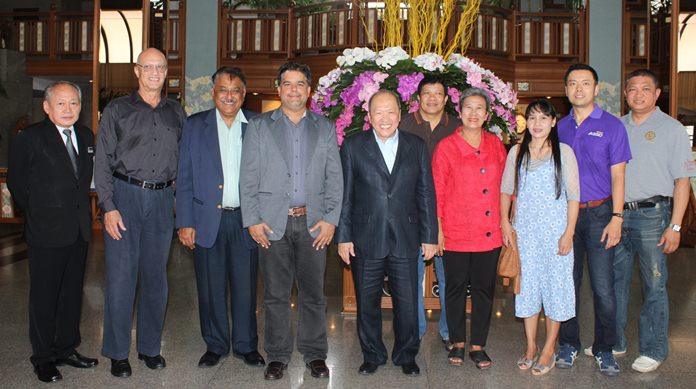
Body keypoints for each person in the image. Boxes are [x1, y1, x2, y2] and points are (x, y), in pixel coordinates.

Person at [240, 62, 343, 380]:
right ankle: (278, 355)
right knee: (275, 294)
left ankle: (315, 354)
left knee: (313, 294)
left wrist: (330, 219)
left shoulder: (324, 127)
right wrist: (253, 219)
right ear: (278, 87)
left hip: (313, 224)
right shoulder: (259, 126)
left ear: (309, 90)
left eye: (300, 83)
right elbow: (248, 175)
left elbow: (334, 177)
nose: (294, 89)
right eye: (287, 83)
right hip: (271, 224)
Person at [95, 48, 187, 378]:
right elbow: (102, 162)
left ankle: (149, 348)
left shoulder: (176, 112)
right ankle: (118, 352)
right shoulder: (117, 109)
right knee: (121, 278)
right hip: (124, 197)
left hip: (162, 200)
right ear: (136, 71)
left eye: (159, 67)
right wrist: (108, 206)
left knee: (156, 279)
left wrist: (182, 203)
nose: (153, 72)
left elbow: (184, 163)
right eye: (147, 66)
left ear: (166, 72)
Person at [336, 90, 439, 376]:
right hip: (365, 236)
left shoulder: (416, 146)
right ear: (368, 116)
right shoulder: (354, 145)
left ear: (400, 113)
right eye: (378, 112)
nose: (385, 118)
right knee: (366, 302)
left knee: (407, 302)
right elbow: (346, 195)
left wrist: (429, 236)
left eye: (390, 112)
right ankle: (372, 354)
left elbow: (425, 193)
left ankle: (407, 354)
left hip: (406, 236)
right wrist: (343, 236)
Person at [7, 81, 98, 383]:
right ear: (46, 107)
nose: (68, 109)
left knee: (72, 295)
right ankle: (43, 357)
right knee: (44, 298)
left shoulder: (85, 136)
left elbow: (82, 182)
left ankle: (66, 349)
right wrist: (38, 214)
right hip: (45, 233)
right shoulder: (30, 138)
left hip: (78, 232)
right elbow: (17, 184)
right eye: (61, 103)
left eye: (73, 103)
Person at [176, 67, 265, 368]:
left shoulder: (257, 124)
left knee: (245, 286)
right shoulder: (194, 125)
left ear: (243, 94)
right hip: (205, 220)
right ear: (213, 93)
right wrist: (185, 221)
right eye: (223, 89)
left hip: (245, 220)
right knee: (210, 287)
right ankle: (215, 345)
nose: (229, 95)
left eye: (235, 90)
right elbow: (184, 176)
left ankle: (246, 345)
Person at [614, 69, 696, 373]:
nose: (638, 94)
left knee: (655, 284)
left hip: (653, 215)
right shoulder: (617, 126)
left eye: (645, 89)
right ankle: (615, 341)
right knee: (615, 283)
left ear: (657, 94)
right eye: (632, 89)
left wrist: (675, 226)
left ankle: (653, 348)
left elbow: (683, 182)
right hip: (618, 215)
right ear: (625, 94)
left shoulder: (671, 128)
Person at [555, 63, 631, 376]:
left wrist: (617, 216)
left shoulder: (613, 126)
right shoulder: (558, 127)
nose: (579, 89)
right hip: (566, 216)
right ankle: (568, 344)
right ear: (566, 90)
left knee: (603, 289)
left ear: (596, 89)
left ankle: (604, 349)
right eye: (573, 83)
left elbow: (619, 176)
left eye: (585, 83)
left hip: (601, 214)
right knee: (567, 284)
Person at [500, 99, 580, 376]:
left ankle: (549, 349)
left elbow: (574, 196)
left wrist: (569, 232)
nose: (537, 124)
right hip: (526, 233)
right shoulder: (517, 152)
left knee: (557, 288)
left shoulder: (564, 152)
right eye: (532, 118)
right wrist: (506, 223)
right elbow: (506, 189)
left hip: (556, 232)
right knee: (528, 289)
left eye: (543, 118)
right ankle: (531, 346)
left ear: (553, 122)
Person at [431, 87, 507, 369]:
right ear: (459, 112)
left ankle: (478, 344)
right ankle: (457, 341)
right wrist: (437, 229)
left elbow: (506, 188)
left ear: (487, 115)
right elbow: (436, 191)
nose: (473, 114)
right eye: (468, 108)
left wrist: (506, 221)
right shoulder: (446, 147)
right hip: (456, 231)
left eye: (479, 109)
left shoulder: (496, 145)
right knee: (454, 288)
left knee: (484, 290)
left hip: (489, 232)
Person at [399, 74, 458, 348]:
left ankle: (449, 332)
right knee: (412, 276)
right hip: (410, 211)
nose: (432, 98)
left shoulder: (458, 127)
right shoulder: (403, 125)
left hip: (449, 212)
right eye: (427, 93)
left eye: (438, 94)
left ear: (446, 99)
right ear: (418, 97)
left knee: (450, 278)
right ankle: (416, 330)